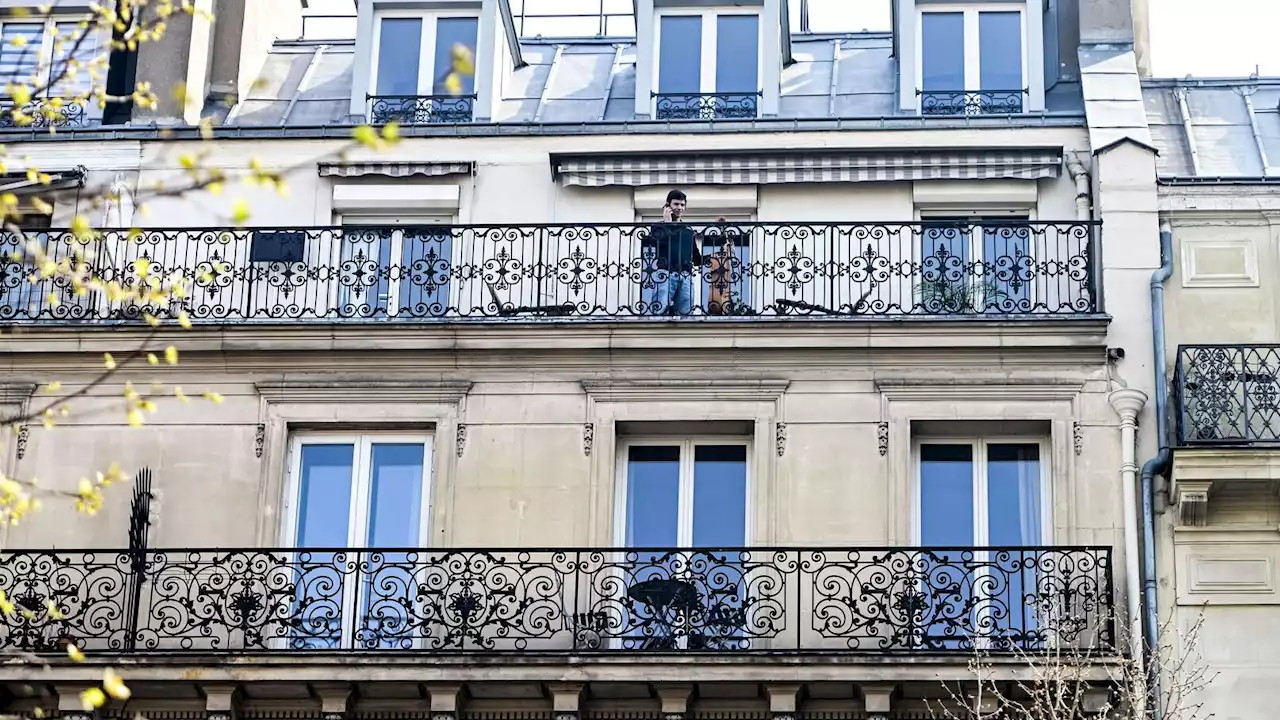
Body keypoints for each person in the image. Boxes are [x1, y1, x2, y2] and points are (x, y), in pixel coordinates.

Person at [642, 189, 699, 316]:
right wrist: (667, 224)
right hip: (665, 274)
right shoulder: (658, 227)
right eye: (676, 204)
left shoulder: (688, 231)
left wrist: (721, 253)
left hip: (685, 276)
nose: (679, 208)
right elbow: (657, 243)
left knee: (686, 315)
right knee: (659, 312)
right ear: (668, 205)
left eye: (682, 205)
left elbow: (697, 259)